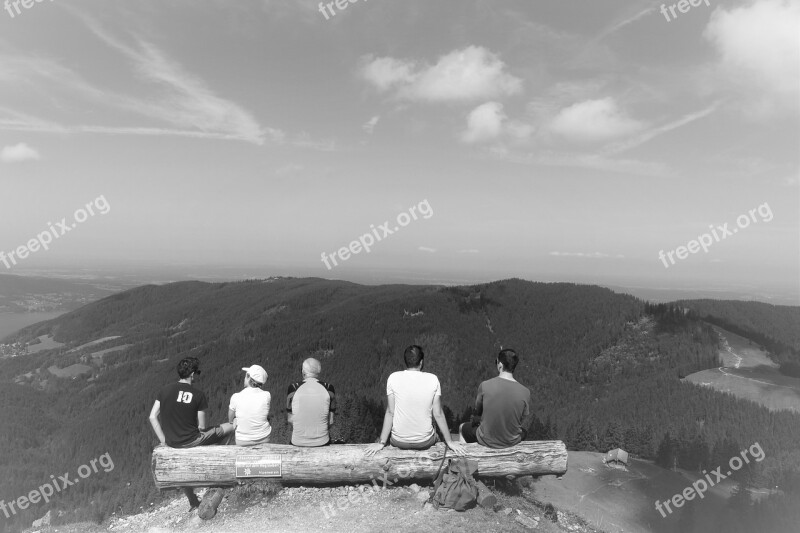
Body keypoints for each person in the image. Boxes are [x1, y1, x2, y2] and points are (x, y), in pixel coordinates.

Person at [148, 357, 235, 509]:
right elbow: (202, 427)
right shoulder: (198, 394)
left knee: (183, 462)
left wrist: (164, 440)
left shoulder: (164, 391)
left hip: (172, 442)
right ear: (193, 374)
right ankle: (218, 463)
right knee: (231, 426)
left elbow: (152, 416)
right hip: (192, 439)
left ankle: (192, 499)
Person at [364, 345, 465, 457]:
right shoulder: (433, 379)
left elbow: (390, 412)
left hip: (398, 441)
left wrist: (381, 442)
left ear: (406, 361)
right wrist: (450, 442)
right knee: (437, 437)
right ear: (421, 362)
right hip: (424, 442)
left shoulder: (393, 378)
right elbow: (438, 414)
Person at [458, 349, 532, 448]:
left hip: (487, 440)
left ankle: (465, 459)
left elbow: (478, 410)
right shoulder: (525, 392)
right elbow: (522, 418)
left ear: (500, 365)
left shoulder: (485, 385)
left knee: (462, 428)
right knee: (524, 431)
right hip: (512, 441)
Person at [287, 358, 336, 447]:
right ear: (319, 371)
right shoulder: (329, 388)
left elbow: (290, 419)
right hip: (322, 441)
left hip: (297, 441)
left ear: (303, 371)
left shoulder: (293, 388)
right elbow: (331, 421)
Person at [228, 365, 272, 446]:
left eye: (246, 376)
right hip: (264, 438)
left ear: (248, 377)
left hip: (242, 440)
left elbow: (230, 419)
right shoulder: (267, 395)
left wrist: (235, 419)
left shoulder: (236, 397)